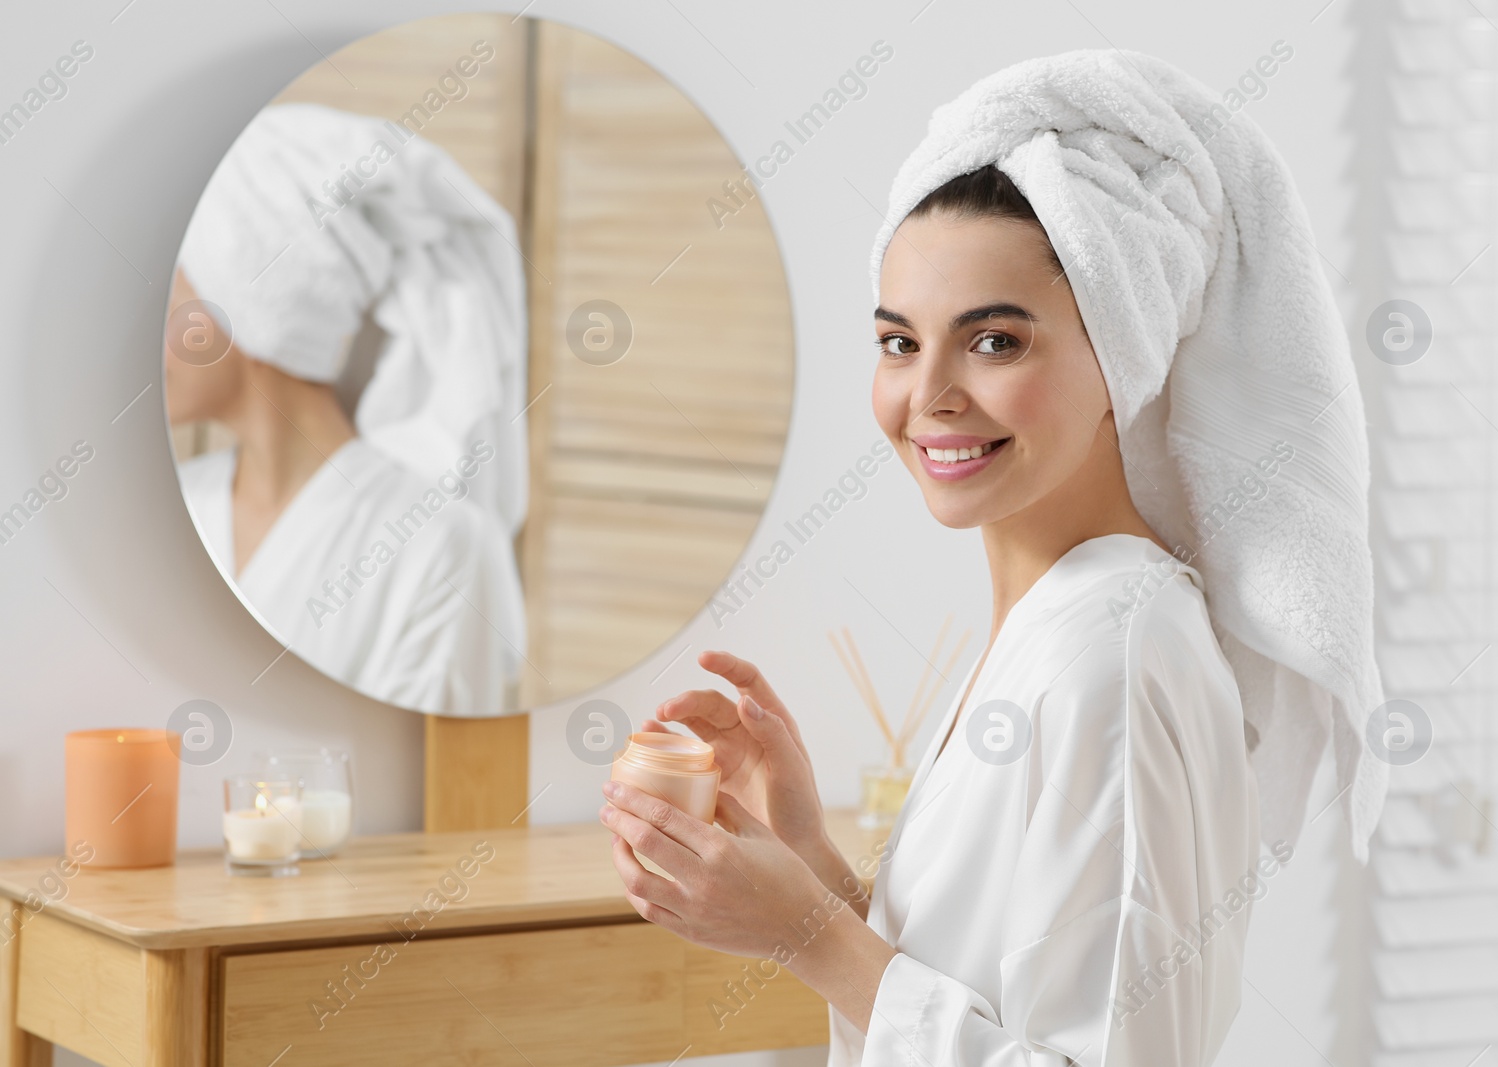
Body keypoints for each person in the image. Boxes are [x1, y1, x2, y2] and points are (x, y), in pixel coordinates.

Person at [600, 49, 1387, 1066]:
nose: (929, 393)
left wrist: (808, 931)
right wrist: (809, 860)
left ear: (1123, 356)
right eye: (898, 341)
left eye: (995, 341)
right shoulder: (1054, 623)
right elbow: (979, 1005)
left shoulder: (1119, 651)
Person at [166, 102, 529, 714]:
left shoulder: (441, 547)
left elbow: (440, 796)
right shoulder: (176, 504)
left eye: (170, 287)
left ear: (252, 301)